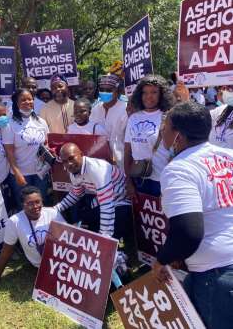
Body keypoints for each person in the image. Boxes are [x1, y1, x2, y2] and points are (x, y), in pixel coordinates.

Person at [152, 101, 233, 329]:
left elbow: (188, 232)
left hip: (217, 276)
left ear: (177, 135)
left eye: (165, 128)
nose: (162, 133)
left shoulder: (179, 169)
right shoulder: (229, 155)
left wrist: (162, 260)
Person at [0, 186, 66, 287]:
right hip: (40, 266)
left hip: (61, 262)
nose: (35, 206)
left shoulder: (52, 213)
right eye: (30, 204)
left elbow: (68, 239)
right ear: (22, 205)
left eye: (38, 202)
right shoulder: (15, 221)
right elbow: (6, 252)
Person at [55, 143, 134, 257]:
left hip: (122, 200)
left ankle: (119, 254)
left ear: (81, 154)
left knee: (114, 231)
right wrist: (57, 208)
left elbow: (107, 205)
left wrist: (104, 237)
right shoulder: (73, 171)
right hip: (103, 201)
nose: (69, 164)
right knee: (86, 223)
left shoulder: (97, 169)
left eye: (71, 158)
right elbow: (77, 194)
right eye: (65, 161)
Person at [124, 75, 176, 197]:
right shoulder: (133, 118)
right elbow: (127, 151)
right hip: (138, 178)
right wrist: (129, 180)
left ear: (162, 94)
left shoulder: (168, 117)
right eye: (145, 92)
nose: (149, 96)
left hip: (161, 181)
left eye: (154, 92)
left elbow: (174, 152)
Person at [2, 88, 49, 210]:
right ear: (16, 103)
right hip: (21, 175)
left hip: (40, 174)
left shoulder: (41, 121)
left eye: (30, 99)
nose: (27, 102)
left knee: (39, 206)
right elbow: (9, 151)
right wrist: (17, 173)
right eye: (23, 100)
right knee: (24, 208)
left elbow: (46, 143)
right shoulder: (9, 124)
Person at [90, 74, 128, 170]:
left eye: (109, 90)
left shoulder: (125, 109)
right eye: (102, 90)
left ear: (118, 92)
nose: (104, 93)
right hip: (98, 160)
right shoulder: (95, 109)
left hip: (120, 161)